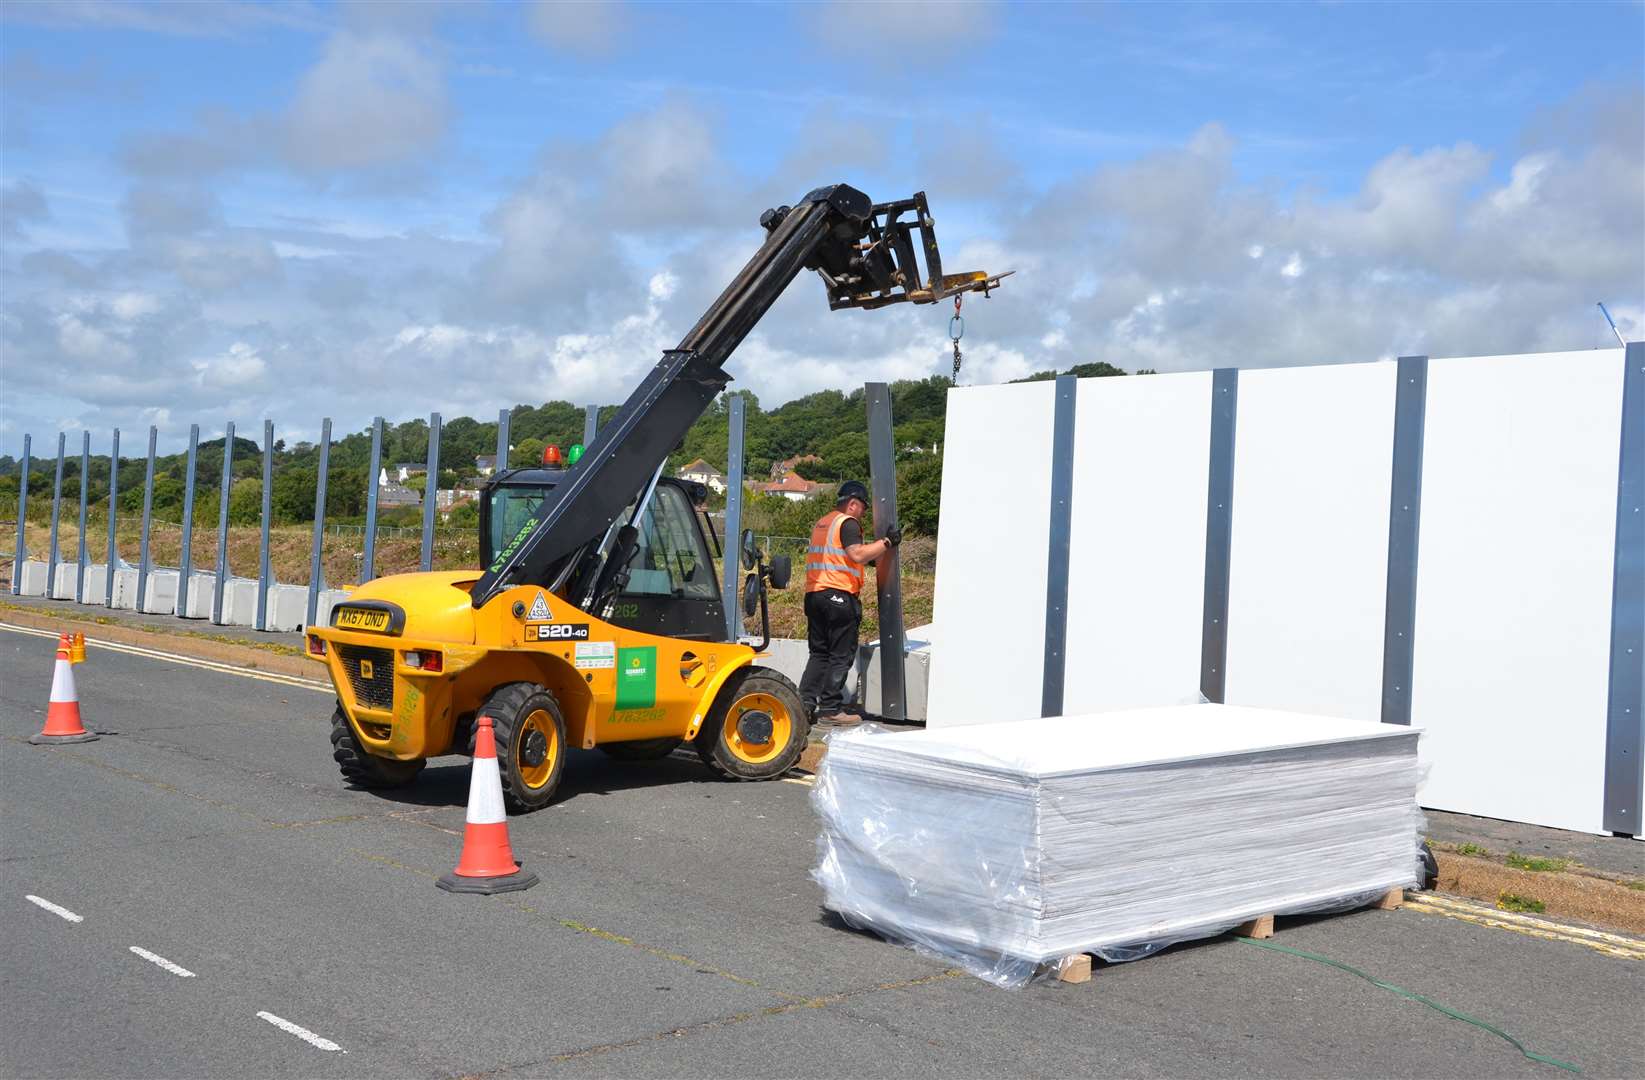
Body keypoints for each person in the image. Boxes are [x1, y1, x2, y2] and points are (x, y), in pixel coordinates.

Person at [799, 480, 901, 724]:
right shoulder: (848, 522)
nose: (864, 513)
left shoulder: (824, 522)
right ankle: (831, 709)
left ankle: (804, 704)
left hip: (815, 594)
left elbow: (840, 557)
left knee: (819, 654)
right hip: (838, 596)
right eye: (863, 507)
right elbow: (856, 554)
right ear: (853, 504)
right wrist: (886, 543)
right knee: (840, 655)